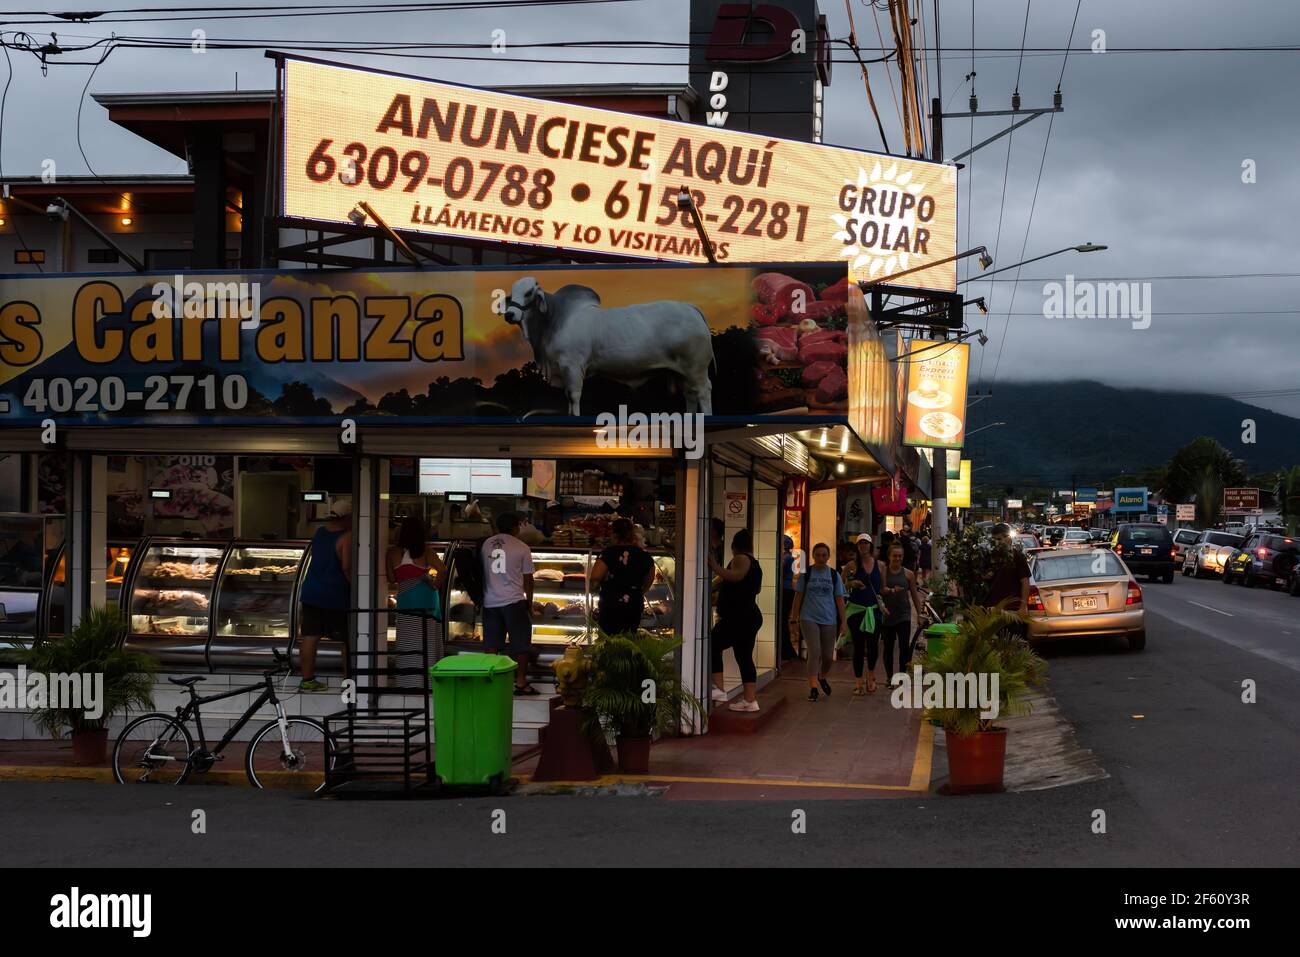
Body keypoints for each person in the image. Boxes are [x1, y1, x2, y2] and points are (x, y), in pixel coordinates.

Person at [298, 499, 353, 692]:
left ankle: (307, 680)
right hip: (335, 594)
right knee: (348, 639)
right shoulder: (347, 537)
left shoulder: (320, 532)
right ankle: (348, 682)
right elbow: (346, 567)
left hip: (312, 590)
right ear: (348, 517)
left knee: (310, 636)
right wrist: (357, 586)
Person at [481, 512, 539, 695]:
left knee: (492, 645)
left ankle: (490, 681)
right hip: (514, 601)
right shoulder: (522, 547)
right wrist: (529, 602)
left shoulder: (486, 544)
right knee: (521, 645)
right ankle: (520, 682)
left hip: (490, 602)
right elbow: (529, 579)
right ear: (516, 527)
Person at [708, 529, 763, 712]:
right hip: (750, 616)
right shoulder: (755, 564)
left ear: (734, 546)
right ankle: (750, 701)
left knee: (712, 643)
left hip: (739, 616)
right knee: (744, 657)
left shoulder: (741, 558)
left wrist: (715, 566)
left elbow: (737, 576)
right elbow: (757, 589)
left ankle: (718, 689)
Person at [391, 514, 446, 689]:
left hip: (405, 602)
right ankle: (426, 682)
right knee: (426, 641)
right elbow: (442, 570)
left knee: (407, 641)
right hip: (426, 601)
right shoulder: (425, 551)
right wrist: (435, 585)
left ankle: (406, 681)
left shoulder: (392, 553)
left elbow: (392, 579)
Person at [789, 542, 847, 702]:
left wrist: (844, 622)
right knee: (814, 653)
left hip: (829, 619)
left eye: (824, 555)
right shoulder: (806, 574)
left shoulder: (834, 575)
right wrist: (793, 619)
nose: (821, 558)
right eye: (818, 555)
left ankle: (822, 677)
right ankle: (813, 687)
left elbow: (840, 600)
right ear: (813, 556)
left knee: (828, 656)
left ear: (828, 557)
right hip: (808, 618)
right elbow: (798, 598)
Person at [590, 518, 654, 636]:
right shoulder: (644, 556)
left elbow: (595, 577)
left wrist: (594, 589)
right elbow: (649, 580)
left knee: (609, 641)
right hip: (634, 605)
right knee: (629, 640)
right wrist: (637, 592)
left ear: (614, 535)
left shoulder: (608, 554)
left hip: (611, 604)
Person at [842, 533, 885, 694]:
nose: (863, 546)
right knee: (858, 647)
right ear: (857, 547)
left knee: (873, 646)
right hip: (856, 611)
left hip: (873, 611)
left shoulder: (880, 566)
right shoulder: (851, 565)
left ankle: (871, 675)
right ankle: (858, 681)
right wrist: (851, 583)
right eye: (860, 544)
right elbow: (841, 586)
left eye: (866, 543)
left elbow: (882, 589)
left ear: (870, 545)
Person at [879, 541, 924, 685]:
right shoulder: (883, 572)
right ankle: (889, 677)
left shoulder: (908, 574)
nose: (897, 559)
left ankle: (902, 677)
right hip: (887, 615)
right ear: (889, 556)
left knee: (904, 647)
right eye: (895, 556)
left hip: (904, 614)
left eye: (900, 556)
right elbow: (879, 592)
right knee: (888, 648)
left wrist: (919, 614)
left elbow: (915, 596)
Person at [989, 522, 1032, 611]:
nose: (1003, 541)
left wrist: (1023, 606)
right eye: (998, 539)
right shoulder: (989, 557)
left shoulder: (1017, 557)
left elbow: (1025, 582)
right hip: (993, 608)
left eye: (1005, 536)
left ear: (1010, 537)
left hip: (1012, 608)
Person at [779, 534, 799, 661]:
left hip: (785, 590)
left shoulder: (785, 558)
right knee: (784, 620)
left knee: (782, 620)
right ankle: (788, 650)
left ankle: (787, 651)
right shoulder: (789, 557)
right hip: (788, 589)